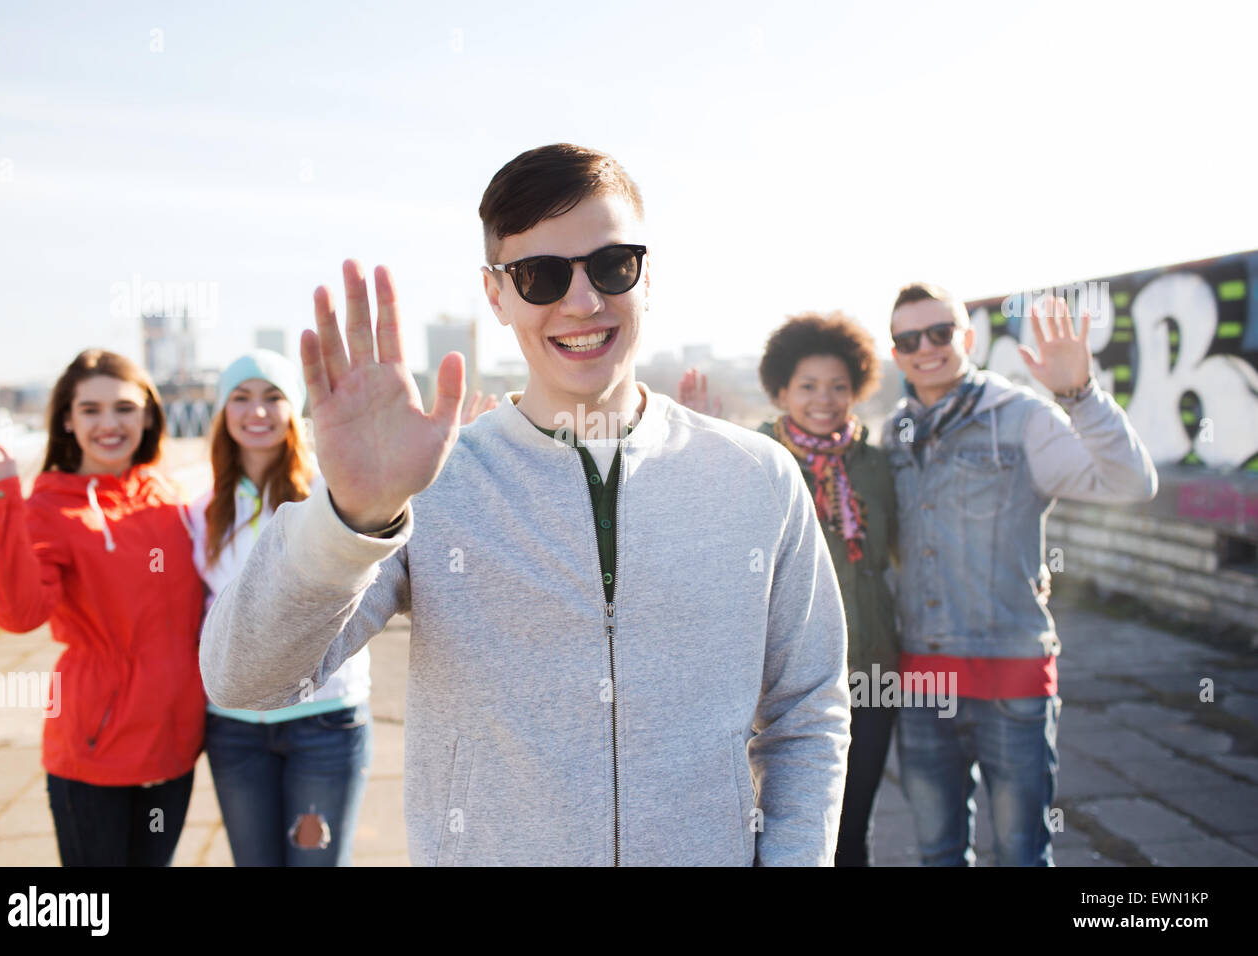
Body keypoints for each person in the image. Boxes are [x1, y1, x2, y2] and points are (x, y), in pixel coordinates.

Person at [200, 143, 851, 866]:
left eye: (612, 266)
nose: (583, 302)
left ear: (645, 274)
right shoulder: (432, 484)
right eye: (541, 275)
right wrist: (348, 520)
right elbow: (246, 678)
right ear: (496, 294)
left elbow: (808, 711)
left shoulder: (754, 477)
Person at [883, 282, 1157, 866]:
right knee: (937, 853)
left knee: (1021, 855)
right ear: (895, 352)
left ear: (969, 337)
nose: (925, 348)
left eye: (940, 332)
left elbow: (1131, 484)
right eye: (908, 339)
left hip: (1011, 675)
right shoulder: (896, 433)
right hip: (924, 683)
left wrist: (1080, 394)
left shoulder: (1022, 417)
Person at [0, 349, 204, 866]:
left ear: (149, 415)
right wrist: (1, 501)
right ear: (67, 420)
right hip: (96, 748)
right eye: (90, 410)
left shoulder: (168, 494)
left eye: (124, 407)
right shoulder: (49, 508)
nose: (109, 424)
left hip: (176, 742)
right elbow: (20, 614)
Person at [188, 350, 373, 866]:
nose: (258, 411)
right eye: (241, 398)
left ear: (295, 410)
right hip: (234, 726)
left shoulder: (330, 495)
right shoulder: (199, 512)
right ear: (223, 412)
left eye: (274, 397)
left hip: (326, 720)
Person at [754, 312, 898, 867]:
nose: (825, 399)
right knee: (782, 833)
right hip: (779, 682)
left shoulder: (876, 466)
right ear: (782, 389)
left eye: (839, 386)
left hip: (870, 673)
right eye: (808, 386)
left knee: (853, 825)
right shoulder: (756, 458)